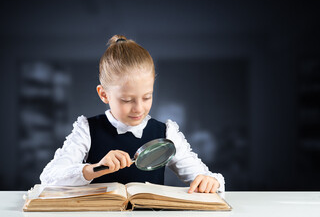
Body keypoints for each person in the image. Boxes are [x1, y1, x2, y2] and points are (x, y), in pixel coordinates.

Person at [40, 35, 225, 194]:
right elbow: (49, 178)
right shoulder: (87, 129)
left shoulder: (166, 133)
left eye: (147, 97)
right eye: (127, 100)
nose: (138, 108)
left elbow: (204, 176)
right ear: (104, 94)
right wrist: (95, 168)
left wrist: (210, 181)